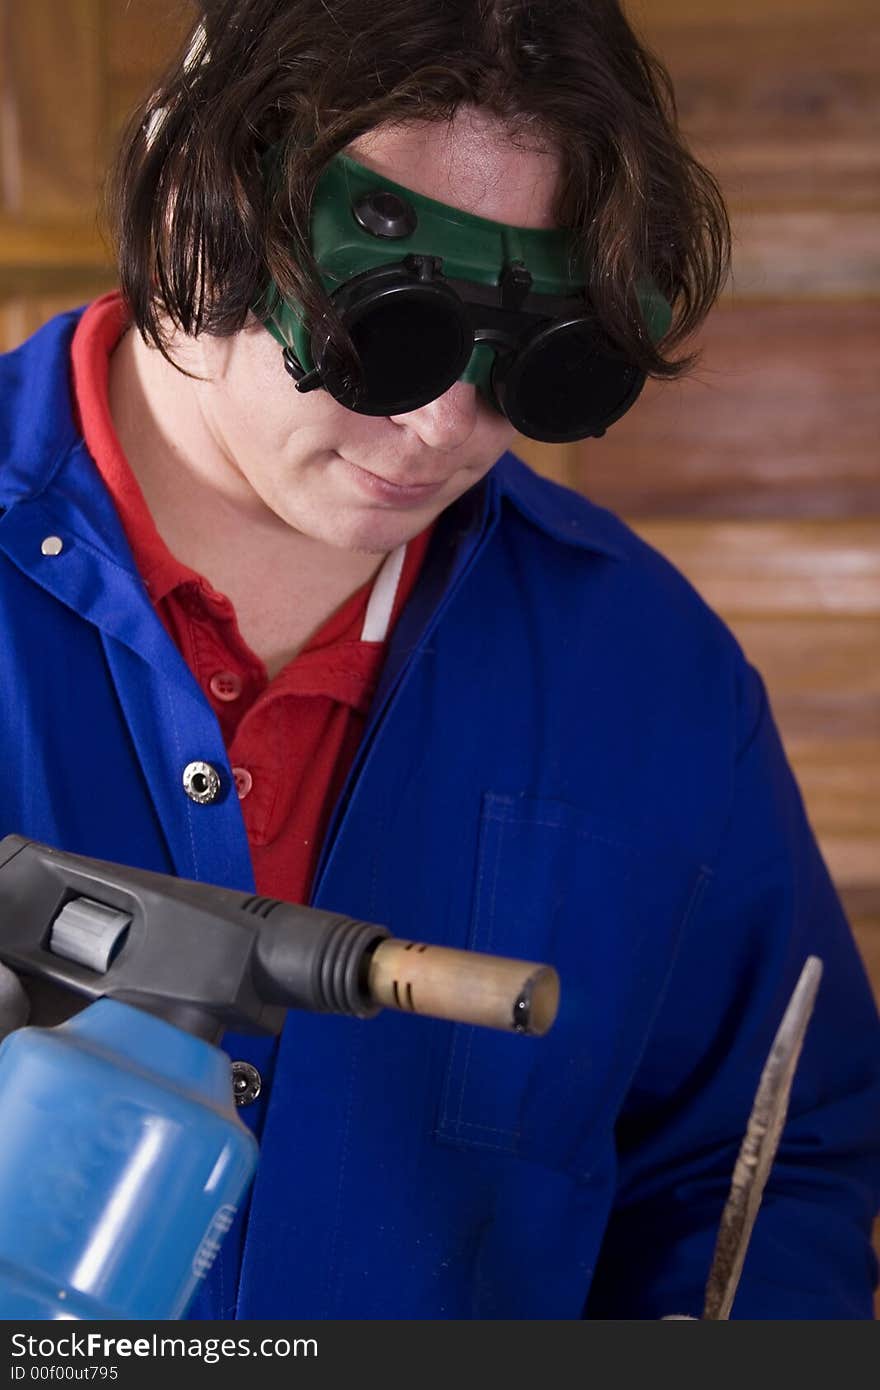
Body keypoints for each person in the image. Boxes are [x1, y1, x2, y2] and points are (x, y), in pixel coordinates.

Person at [0, 0, 878, 1320]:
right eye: (389, 333)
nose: (438, 428)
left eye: (531, 367)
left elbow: (763, 1168)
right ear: (199, 219)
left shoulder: (647, 676)